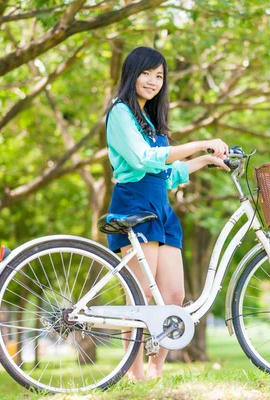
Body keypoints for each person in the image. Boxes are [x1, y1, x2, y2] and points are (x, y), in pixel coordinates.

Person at [105, 46, 231, 381]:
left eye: (159, 76)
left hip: (161, 207)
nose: (152, 81)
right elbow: (144, 160)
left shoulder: (150, 120)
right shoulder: (119, 113)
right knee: (140, 295)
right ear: (132, 74)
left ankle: (155, 370)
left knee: (172, 296)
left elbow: (166, 173)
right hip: (134, 204)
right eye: (146, 73)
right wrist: (200, 143)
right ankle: (133, 375)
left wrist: (204, 160)